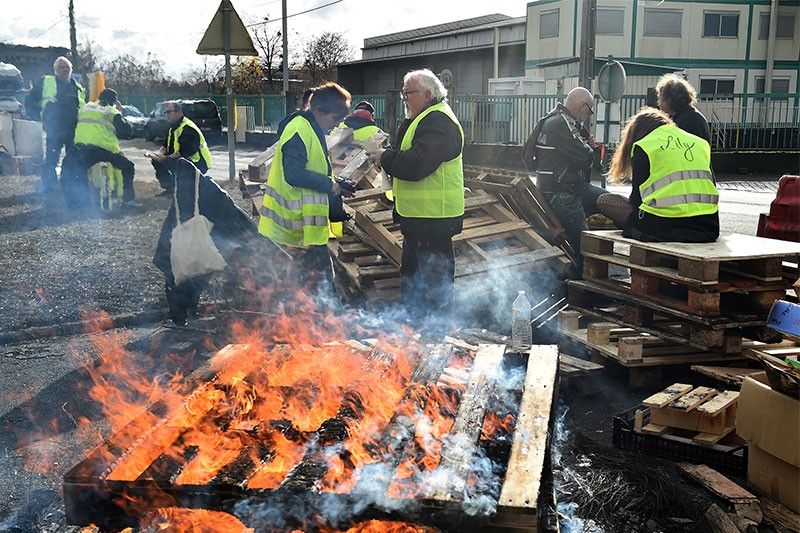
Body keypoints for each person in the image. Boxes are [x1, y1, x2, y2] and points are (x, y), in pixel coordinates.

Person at [366, 69, 465, 320]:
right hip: (420, 220)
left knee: (434, 289)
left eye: (407, 93)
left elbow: (416, 165)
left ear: (427, 94)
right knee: (414, 284)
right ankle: (415, 335)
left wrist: (385, 157)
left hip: (432, 221)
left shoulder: (438, 121)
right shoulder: (424, 118)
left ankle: (437, 338)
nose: (404, 98)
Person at [153, 158, 273, 326]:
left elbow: (238, 223)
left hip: (210, 247)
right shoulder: (199, 193)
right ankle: (183, 312)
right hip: (200, 249)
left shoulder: (200, 195)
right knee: (192, 271)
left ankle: (183, 312)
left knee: (197, 270)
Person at [258, 82, 354, 291]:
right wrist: (328, 185)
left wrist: (336, 184)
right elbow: (294, 174)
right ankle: (322, 321)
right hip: (293, 227)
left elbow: (313, 168)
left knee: (312, 285)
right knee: (317, 285)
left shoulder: (309, 127)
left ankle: (315, 319)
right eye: (335, 119)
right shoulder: (300, 128)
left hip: (302, 228)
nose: (336, 125)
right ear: (319, 110)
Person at [602, 107, 719, 243]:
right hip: (708, 226)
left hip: (661, 226)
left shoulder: (645, 146)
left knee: (604, 200)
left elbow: (636, 200)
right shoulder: (700, 144)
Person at [524, 87, 604, 258]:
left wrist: (583, 144)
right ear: (583, 106)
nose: (587, 116)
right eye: (589, 111)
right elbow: (586, 157)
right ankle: (579, 276)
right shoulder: (562, 123)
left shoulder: (551, 119)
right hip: (563, 193)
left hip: (559, 188)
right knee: (584, 244)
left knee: (607, 200)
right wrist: (588, 147)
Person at [62, 88, 136, 207]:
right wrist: (120, 112)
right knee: (128, 166)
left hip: (79, 149)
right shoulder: (111, 111)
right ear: (114, 101)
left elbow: (72, 125)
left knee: (72, 168)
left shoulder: (86, 107)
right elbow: (127, 132)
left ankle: (76, 203)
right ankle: (128, 200)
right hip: (102, 150)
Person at [25, 56, 86, 192]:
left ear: (71, 70)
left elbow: (83, 108)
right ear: (55, 70)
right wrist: (38, 117)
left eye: (67, 68)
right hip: (54, 129)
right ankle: (49, 186)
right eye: (61, 68)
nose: (65, 70)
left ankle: (70, 184)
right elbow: (30, 100)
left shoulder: (78, 87)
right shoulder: (46, 82)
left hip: (73, 130)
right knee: (51, 159)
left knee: (74, 157)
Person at [149, 101, 212, 195]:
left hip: (198, 163)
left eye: (169, 112)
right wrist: (159, 154)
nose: (167, 115)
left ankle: (183, 191)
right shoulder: (173, 128)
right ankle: (170, 188)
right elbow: (165, 145)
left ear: (179, 112)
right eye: (166, 113)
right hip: (184, 160)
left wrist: (166, 159)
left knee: (169, 162)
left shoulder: (188, 128)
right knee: (157, 161)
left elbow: (185, 152)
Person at [656, 73, 711, 142]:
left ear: (669, 99)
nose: (658, 103)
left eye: (660, 98)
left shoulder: (690, 120)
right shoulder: (687, 115)